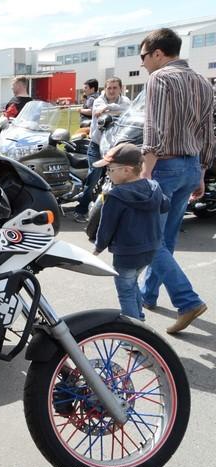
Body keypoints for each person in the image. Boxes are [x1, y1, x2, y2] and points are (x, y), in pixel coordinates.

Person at [138, 27, 214, 334]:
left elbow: (154, 127)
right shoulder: (203, 82)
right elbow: (208, 133)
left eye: (144, 56)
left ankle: (187, 300)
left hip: (165, 166)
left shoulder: (160, 78)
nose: (142, 63)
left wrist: (145, 171)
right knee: (166, 238)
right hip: (191, 165)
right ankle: (148, 294)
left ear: (158, 53)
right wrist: (202, 171)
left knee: (148, 239)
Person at [93, 144, 167, 320]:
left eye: (110, 169)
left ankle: (132, 330)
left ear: (126, 170)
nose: (107, 173)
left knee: (125, 291)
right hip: (150, 248)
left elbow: (106, 226)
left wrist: (98, 248)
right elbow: (165, 205)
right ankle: (139, 318)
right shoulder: (154, 187)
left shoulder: (115, 196)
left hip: (126, 254)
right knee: (132, 284)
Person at [73, 77, 131, 223]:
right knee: (93, 177)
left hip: (116, 147)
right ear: (104, 89)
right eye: (109, 88)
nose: (111, 91)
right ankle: (81, 210)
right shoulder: (98, 101)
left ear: (120, 89)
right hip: (97, 146)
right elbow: (101, 113)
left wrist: (107, 108)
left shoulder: (125, 101)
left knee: (121, 179)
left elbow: (126, 109)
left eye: (115, 88)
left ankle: (118, 213)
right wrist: (108, 109)